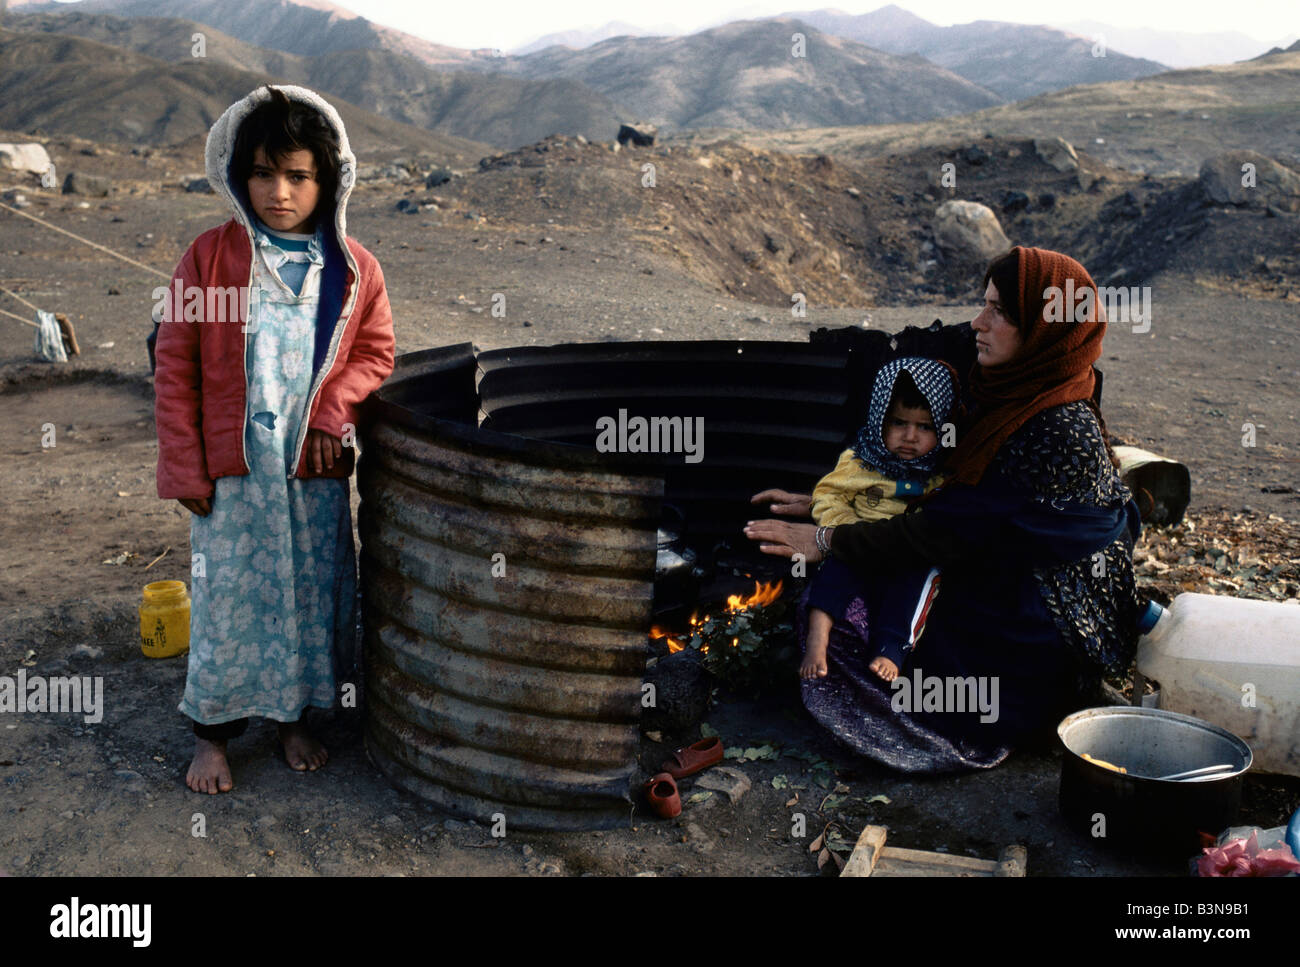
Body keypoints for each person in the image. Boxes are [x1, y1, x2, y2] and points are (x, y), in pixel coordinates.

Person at [746, 246, 1143, 773]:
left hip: (1038, 633)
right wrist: (835, 499)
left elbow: (942, 532)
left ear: (1044, 325)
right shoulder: (1031, 387)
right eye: (985, 304)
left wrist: (827, 540)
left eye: (1000, 311)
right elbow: (946, 494)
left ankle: (966, 731)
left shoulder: (1052, 427)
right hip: (1014, 580)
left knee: (843, 618)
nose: (979, 323)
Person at [153, 85, 395, 794]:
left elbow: (375, 355)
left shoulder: (352, 271)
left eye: (297, 175)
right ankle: (214, 733)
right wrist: (185, 465)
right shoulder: (209, 259)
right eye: (262, 173)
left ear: (329, 178)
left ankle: (292, 719)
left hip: (311, 470)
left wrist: (332, 414)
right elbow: (174, 365)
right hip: (233, 474)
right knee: (229, 598)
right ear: (238, 175)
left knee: (309, 592)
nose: (278, 191)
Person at [801, 357, 957, 684]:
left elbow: (946, 522)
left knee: (921, 580)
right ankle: (818, 632)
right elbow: (827, 493)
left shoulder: (942, 476)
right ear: (880, 421)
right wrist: (846, 527)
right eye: (899, 423)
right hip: (861, 545)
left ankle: (892, 647)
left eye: (925, 427)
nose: (910, 436)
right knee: (835, 568)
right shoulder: (860, 463)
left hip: (909, 556)